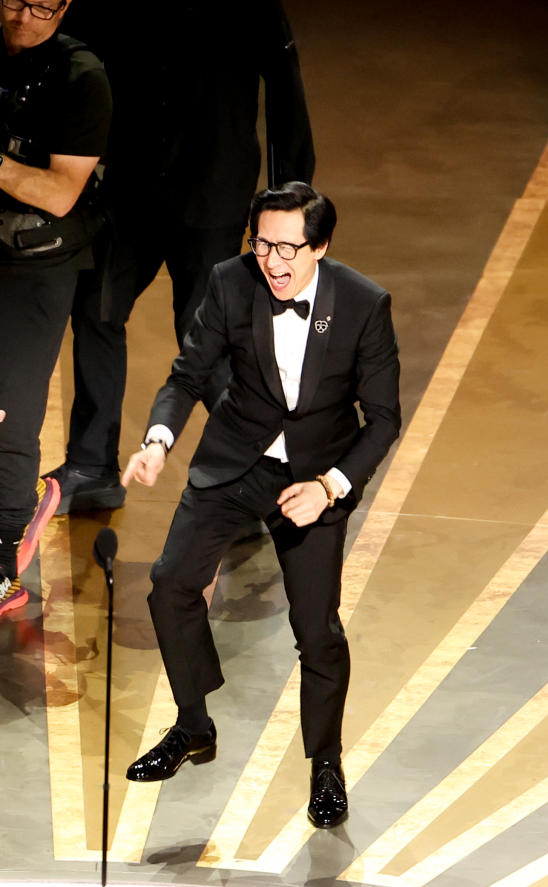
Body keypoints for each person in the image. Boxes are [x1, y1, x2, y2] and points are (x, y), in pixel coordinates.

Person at [120, 183, 400, 829]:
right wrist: (158, 440)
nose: (272, 261)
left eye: (288, 248)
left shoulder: (362, 305)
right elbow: (188, 374)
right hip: (235, 458)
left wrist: (330, 486)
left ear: (321, 246)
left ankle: (325, 762)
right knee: (169, 586)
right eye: (263, 244)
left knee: (317, 630)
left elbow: (383, 419)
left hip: (313, 477)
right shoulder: (230, 282)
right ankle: (194, 725)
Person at [47, 0, 315, 515]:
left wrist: (291, 197)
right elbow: (70, 55)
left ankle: (252, 477)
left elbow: (286, 89)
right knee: (96, 311)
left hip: (212, 192)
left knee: (206, 337)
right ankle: (91, 464)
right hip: (130, 188)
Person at [0, 0, 109, 615]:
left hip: (37, 261)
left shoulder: (81, 78)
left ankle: (2, 563)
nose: (24, 16)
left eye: (43, 5)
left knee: (8, 412)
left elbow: (60, 193)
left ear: (66, 6)